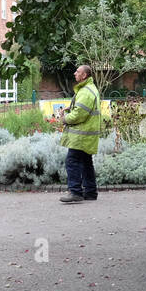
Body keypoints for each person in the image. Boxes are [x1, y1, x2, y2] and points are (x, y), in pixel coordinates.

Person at [59, 63, 102, 203]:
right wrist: (70, 107)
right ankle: (90, 192)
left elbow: (79, 115)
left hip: (81, 136)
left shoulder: (85, 91)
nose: (74, 73)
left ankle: (75, 192)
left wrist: (64, 119)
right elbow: (82, 109)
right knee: (86, 162)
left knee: (72, 161)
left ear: (84, 75)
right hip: (87, 134)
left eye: (77, 72)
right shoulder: (89, 89)